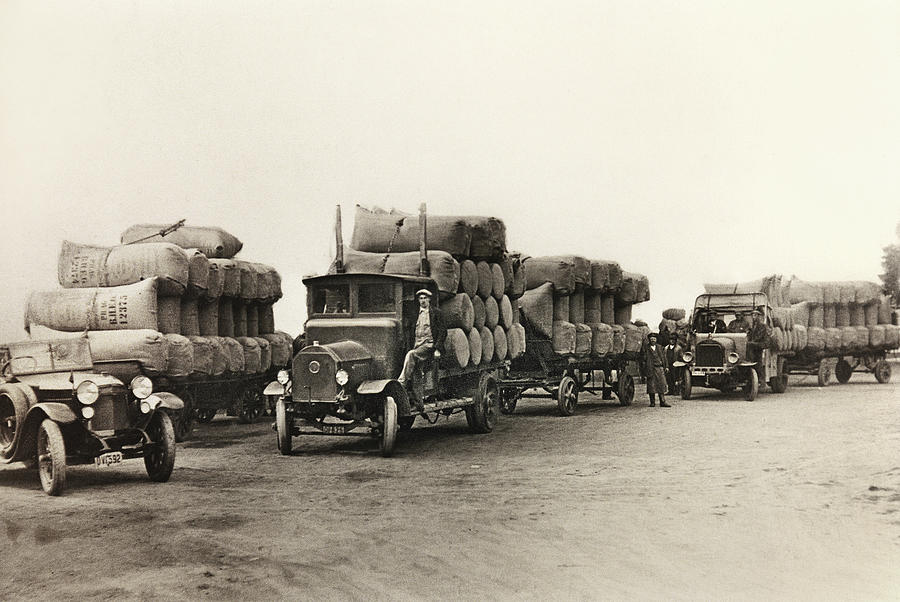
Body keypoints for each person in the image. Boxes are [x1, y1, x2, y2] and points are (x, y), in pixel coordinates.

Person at [397, 289, 447, 397]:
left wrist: (437, 349)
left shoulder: (436, 313)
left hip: (429, 345)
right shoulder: (415, 314)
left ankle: (401, 383)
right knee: (417, 374)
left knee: (411, 355)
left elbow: (443, 331)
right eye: (421, 298)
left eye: (425, 298)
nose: (423, 301)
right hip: (417, 345)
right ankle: (419, 403)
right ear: (418, 300)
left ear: (429, 299)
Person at [642, 332, 670, 407]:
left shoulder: (660, 347)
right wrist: (644, 369)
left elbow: (664, 358)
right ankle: (652, 402)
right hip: (651, 368)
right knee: (651, 386)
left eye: (654, 339)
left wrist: (666, 366)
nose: (653, 340)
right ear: (649, 340)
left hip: (660, 368)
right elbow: (643, 360)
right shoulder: (646, 348)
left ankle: (663, 401)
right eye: (651, 339)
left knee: (662, 385)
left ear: (656, 340)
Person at [746, 309, 769, 381]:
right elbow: (749, 335)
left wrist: (751, 341)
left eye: (755, 315)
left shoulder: (762, 326)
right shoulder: (752, 326)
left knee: (758, 361)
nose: (753, 317)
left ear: (759, 316)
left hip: (760, 344)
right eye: (752, 315)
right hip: (754, 344)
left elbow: (759, 336)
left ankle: (760, 378)